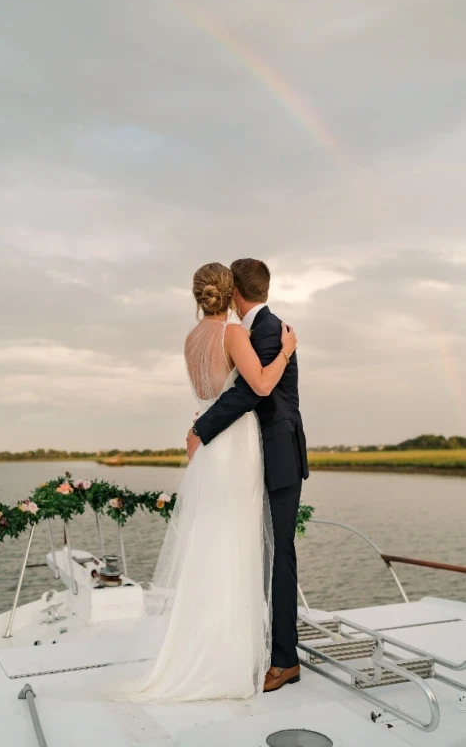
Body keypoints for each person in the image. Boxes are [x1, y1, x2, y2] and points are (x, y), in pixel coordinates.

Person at [104, 261, 296, 703]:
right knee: (237, 545)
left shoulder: (190, 341)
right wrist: (286, 349)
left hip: (210, 449)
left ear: (198, 296)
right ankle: (228, 658)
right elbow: (262, 386)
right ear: (229, 295)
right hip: (236, 447)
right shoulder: (234, 335)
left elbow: (213, 395)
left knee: (211, 544)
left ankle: (205, 648)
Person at [187, 258, 308, 693]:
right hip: (249, 456)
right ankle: (246, 643)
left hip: (278, 456)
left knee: (279, 555)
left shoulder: (271, 330)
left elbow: (247, 391)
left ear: (235, 292)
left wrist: (201, 428)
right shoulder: (247, 333)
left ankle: (285, 660)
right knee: (247, 549)